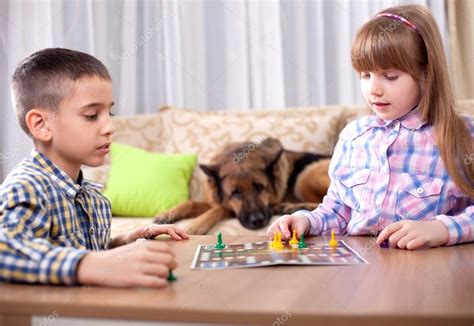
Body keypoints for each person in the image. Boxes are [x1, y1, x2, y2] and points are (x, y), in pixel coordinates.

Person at [267, 4, 473, 250]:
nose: (374, 89)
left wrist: (441, 229)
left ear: (426, 74)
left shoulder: (462, 137)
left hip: (429, 273)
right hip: (362, 273)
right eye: (366, 75)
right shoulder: (354, 137)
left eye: (390, 76)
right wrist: (304, 220)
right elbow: (338, 211)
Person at [0, 48, 189, 287]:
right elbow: (6, 250)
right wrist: (89, 266)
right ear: (41, 124)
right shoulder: (25, 187)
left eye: (109, 112)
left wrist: (125, 242)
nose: (109, 126)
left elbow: (84, 250)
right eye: (91, 115)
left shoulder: (93, 197)